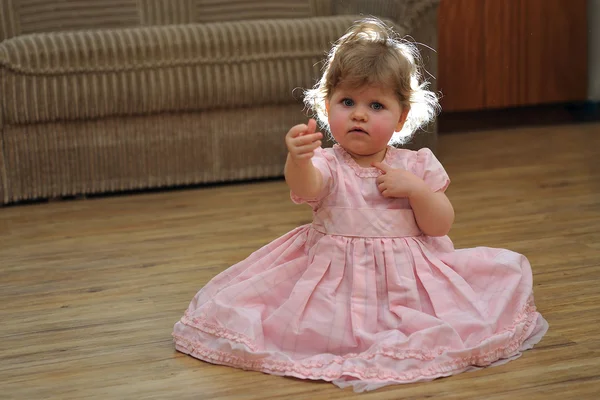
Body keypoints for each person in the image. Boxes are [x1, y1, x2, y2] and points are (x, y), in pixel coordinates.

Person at [172, 17, 548, 392]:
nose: (359, 114)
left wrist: (417, 191)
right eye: (347, 101)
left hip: (406, 282)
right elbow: (309, 186)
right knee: (319, 327)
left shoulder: (417, 165)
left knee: (425, 322)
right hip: (336, 279)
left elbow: (440, 226)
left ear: (401, 118)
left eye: (376, 105)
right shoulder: (328, 163)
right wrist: (298, 160)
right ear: (327, 105)